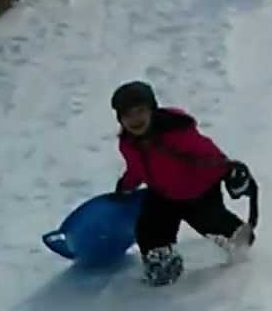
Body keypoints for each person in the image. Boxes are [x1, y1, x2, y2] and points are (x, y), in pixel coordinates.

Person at [110, 81, 257, 286]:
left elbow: (209, 155)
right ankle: (162, 265)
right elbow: (137, 168)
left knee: (211, 222)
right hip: (163, 195)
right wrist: (126, 185)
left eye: (140, 111)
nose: (135, 119)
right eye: (128, 115)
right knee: (149, 230)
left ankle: (237, 237)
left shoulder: (177, 134)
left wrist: (229, 171)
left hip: (199, 192)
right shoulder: (127, 143)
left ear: (152, 110)